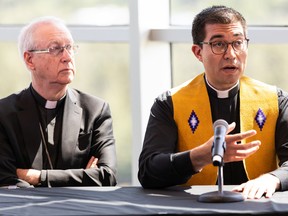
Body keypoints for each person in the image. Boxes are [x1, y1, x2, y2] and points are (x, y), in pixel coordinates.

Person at [138, 5, 288, 199]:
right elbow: (148, 171)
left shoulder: (276, 100)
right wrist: (199, 157)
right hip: (192, 209)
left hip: (259, 206)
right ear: (198, 52)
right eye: (219, 44)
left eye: (238, 43)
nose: (231, 54)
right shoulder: (169, 103)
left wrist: (271, 179)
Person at [0, 16, 117, 188]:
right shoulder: (4, 114)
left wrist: (37, 177)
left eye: (69, 47)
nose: (67, 57)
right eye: (55, 49)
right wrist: (82, 176)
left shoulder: (95, 110)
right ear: (29, 60)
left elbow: (107, 176)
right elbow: (5, 180)